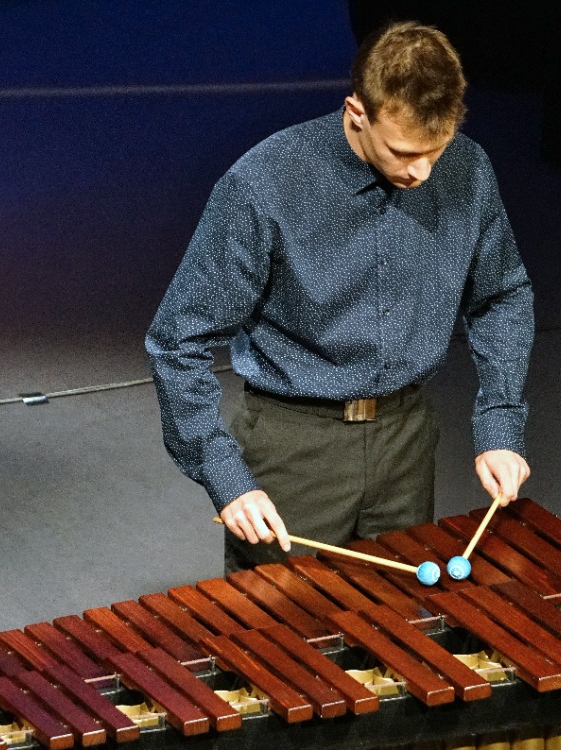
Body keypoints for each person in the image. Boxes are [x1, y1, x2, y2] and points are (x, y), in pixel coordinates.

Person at [146, 20, 534, 573]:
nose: (423, 172)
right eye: (403, 151)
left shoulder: (468, 170)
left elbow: (502, 295)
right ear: (357, 112)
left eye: (437, 149)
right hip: (293, 449)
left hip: (406, 440)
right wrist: (226, 477)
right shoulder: (265, 184)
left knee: (400, 618)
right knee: (281, 623)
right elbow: (177, 341)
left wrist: (499, 423)